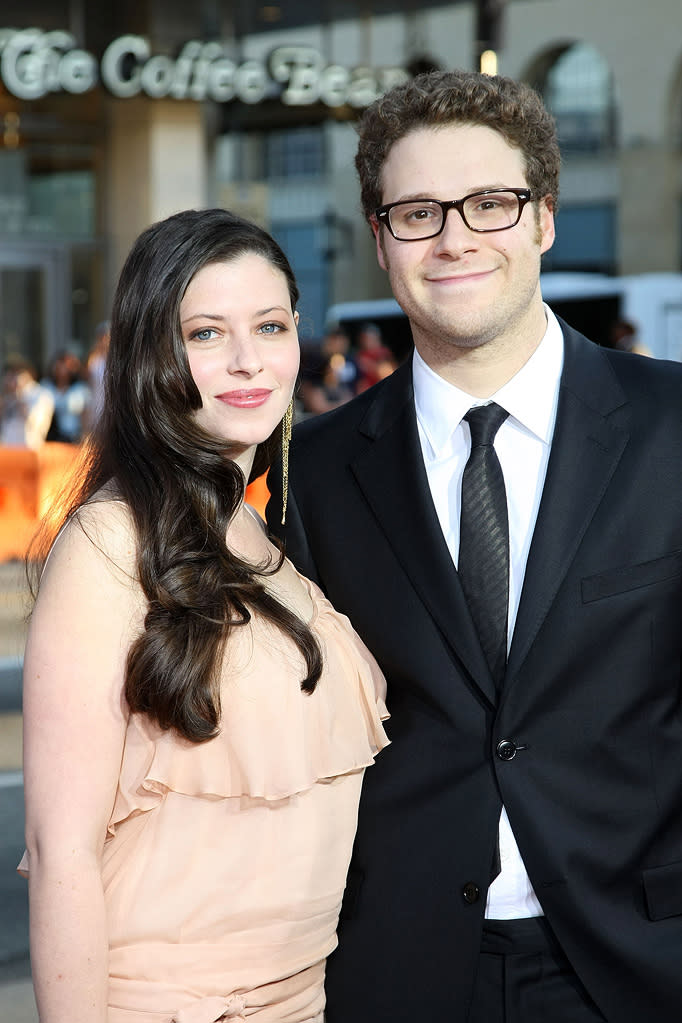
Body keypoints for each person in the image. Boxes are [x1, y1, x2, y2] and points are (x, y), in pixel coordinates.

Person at [266, 69, 682, 1023]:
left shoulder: (671, 429)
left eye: (489, 203)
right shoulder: (313, 471)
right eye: (417, 212)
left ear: (541, 219)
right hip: (393, 973)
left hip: (640, 965)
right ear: (379, 241)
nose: (455, 237)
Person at [19, 208, 389, 1023]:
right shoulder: (111, 541)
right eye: (207, 333)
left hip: (306, 998)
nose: (249, 360)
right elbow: (61, 854)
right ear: (155, 354)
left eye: (270, 324)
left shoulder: (257, 526)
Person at [0, 354, 54, 449]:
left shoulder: (41, 394)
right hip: (7, 449)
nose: (9, 380)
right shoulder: (9, 396)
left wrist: (19, 396)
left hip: (29, 450)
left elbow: (34, 421)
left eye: (14, 375)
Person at [42, 349, 91, 443]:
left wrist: (85, 437)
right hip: (51, 439)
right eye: (60, 364)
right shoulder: (46, 386)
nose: (62, 369)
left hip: (74, 437)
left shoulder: (80, 389)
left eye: (67, 365)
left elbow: (85, 415)